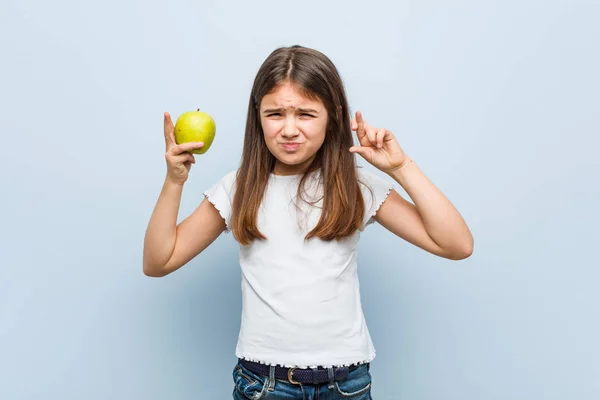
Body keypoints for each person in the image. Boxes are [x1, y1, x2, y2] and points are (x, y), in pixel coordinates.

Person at [143, 45, 474, 400]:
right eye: (275, 114)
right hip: (264, 385)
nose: (289, 129)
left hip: (346, 384)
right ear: (257, 116)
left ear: (333, 115)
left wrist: (401, 168)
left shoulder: (355, 186)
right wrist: (174, 182)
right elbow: (159, 261)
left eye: (305, 114)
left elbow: (456, 244)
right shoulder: (238, 188)